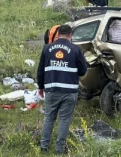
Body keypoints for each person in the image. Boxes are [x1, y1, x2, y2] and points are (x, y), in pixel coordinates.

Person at [37, 25, 87, 154]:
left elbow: (40, 70)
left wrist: (40, 87)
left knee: (49, 118)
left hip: (51, 90)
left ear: (58, 34)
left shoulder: (47, 48)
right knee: (64, 120)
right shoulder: (76, 49)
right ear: (71, 35)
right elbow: (82, 71)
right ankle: (59, 150)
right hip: (69, 92)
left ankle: (44, 147)